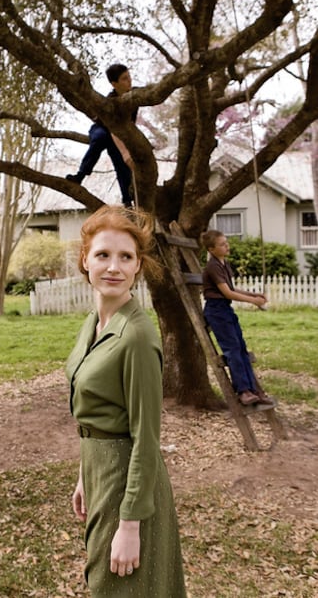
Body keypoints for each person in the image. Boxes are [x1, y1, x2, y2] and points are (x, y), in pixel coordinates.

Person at [65, 205, 187, 597]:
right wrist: (86, 474)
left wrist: (130, 524)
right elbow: (98, 411)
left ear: (138, 266)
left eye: (126, 257)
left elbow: (146, 437)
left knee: (114, 586)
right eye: (103, 255)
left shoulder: (136, 337)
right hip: (100, 471)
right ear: (86, 260)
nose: (113, 266)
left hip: (128, 483)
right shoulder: (95, 323)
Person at [201, 230, 274, 406]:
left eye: (227, 242)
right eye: (222, 244)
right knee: (232, 350)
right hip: (216, 311)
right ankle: (243, 391)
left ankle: (254, 390)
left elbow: (232, 288)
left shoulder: (224, 264)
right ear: (211, 249)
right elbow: (227, 293)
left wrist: (252, 294)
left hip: (225, 310)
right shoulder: (212, 267)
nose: (227, 246)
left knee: (242, 349)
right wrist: (253, 302)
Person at [66, 63, 137, 207]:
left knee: (120, 162)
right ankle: (81, 174)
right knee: (102, 138)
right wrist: (125, 152)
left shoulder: (134, 98)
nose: (129, 81)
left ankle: (127, 199)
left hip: (119, 134)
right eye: (124, 79)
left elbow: (130, 125)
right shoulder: (111, 101)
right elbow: (112, 128)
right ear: (114, 84)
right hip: (102, 128)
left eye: (129, 77)